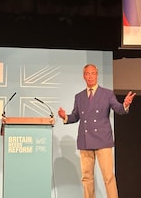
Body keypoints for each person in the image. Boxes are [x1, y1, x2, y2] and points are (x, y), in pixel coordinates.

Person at [58, 64, 136, 198]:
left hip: (103, 140)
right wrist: (65, 117)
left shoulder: (107, 93)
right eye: (87, 74)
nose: (90, 76)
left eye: (93, 73)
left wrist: (125, 104)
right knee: (87, 177)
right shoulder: (79, 96)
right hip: (85, 141)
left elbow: (118, 108)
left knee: (108, 177)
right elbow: (76, 116)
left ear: (97, 75)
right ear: (84, 76)